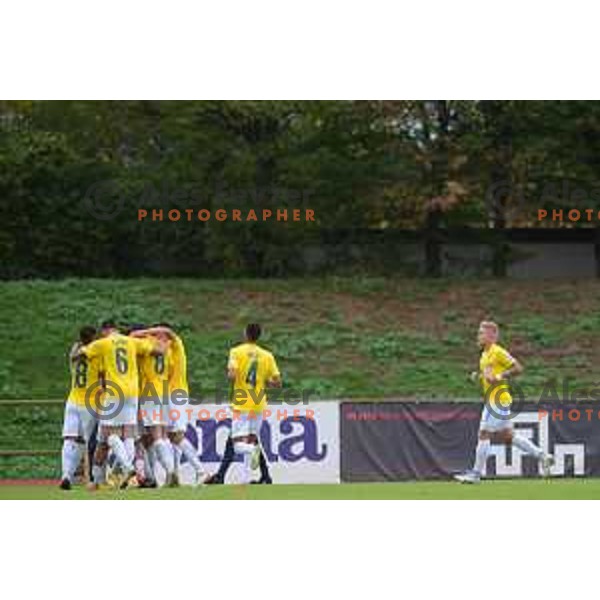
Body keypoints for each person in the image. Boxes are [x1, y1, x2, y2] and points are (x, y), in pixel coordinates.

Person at [455, 321, 554, 484]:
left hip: (498, 400)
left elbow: (518, 368)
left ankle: (475, 474)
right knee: (509, 436)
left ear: (492, 335)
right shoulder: (484, 355)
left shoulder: (498, 351)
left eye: (482, 333)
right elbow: (489, 375)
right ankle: (543, 456)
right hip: (491, 400)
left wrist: (500, 377)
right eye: (479, 332)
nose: (478, 336)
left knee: (484, 434)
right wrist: (478, 376)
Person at [80, 320, 165, 489]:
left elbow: (82, 353)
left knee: (109, 435)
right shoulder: (132, 342)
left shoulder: (103, 343)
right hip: (133, 393)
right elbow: (158, 351)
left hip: (114, 392)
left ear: (106, 331)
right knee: (129, 435)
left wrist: (79, 352)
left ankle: (128, 468)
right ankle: (121, 476)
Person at [226, 323, 281, 484]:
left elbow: (232, 374)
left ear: (245, 334)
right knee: (251, 438)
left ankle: (253, 450)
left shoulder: (236, 351)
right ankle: (244, 478)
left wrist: (232, 373)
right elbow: (277, 381)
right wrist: (264, 380)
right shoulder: (267, 355)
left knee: (238, 444)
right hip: (258, 402)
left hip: (242, 401)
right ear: (259, 336)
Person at [59, 326, 102, 490]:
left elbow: (76, 354)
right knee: (84, 442)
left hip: (72, 400)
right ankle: (93, 478)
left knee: (70, 438)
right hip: (89, 403)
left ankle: (66, 475)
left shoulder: (74, 352)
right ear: (94, 338)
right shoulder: (97, 354)